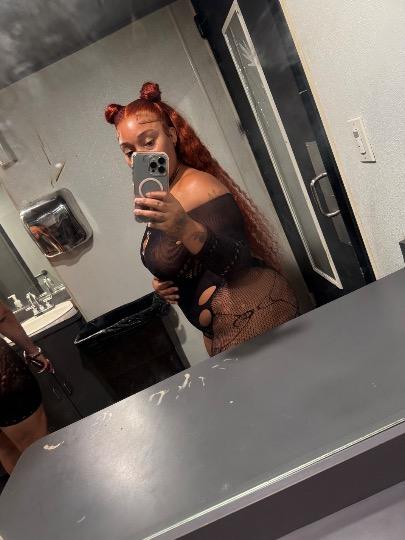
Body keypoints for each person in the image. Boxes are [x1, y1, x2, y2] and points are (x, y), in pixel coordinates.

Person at [105, 82, 298, 356]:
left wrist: (184, 226)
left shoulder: (197, 186)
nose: (141, 157)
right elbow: (181, 255)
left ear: (172, 135)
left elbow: (238, 263)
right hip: (223, 323)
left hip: (253, 309)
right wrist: (163, 280)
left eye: (149, 142)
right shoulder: (165, 192)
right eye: (129, 151)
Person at [0, 300, 52, 474]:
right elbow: (2, 316)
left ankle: (34, 492)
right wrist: (33, 351)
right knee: (38, 450)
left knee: (7, 450)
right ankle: (56, 489)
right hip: (4, 379)